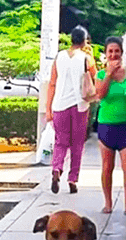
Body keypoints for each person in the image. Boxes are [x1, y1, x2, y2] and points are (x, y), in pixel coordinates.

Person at [95, 37, 126, 216]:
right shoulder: (100, 75)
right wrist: (108, 74)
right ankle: (108, 203)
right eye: (110, 51)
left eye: (117, 51)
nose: (114, 54)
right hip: (107, 126)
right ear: (106, 54)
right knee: (107, 167)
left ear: (122, 53)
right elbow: (100, 94)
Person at [46, 26, 93, 195]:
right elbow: (94, 77)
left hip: (59, 105)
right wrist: (91, 56)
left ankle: (57, 168)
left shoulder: (59, 57)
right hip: (80, 105)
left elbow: (52, 83)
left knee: (60, 142)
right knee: (77, 144)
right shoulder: (86, 58)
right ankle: (73, 179)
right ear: (84, 40)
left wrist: (48, 108)